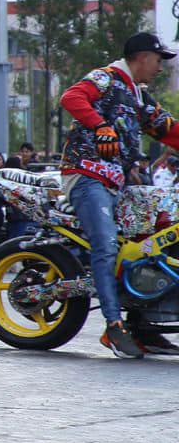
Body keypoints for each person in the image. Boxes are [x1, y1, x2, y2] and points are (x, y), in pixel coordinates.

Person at [58, 31, 179, 358]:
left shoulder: (139, 97)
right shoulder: (107, 78)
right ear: (141, 56)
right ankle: (114, 325)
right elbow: (71, 98)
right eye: (158, 60)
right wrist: (99, 125)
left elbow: (169, 130)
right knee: (106, 242)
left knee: (155, 241)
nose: (160, 67)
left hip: (118, 182)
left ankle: (143, 325)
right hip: (87, 176)